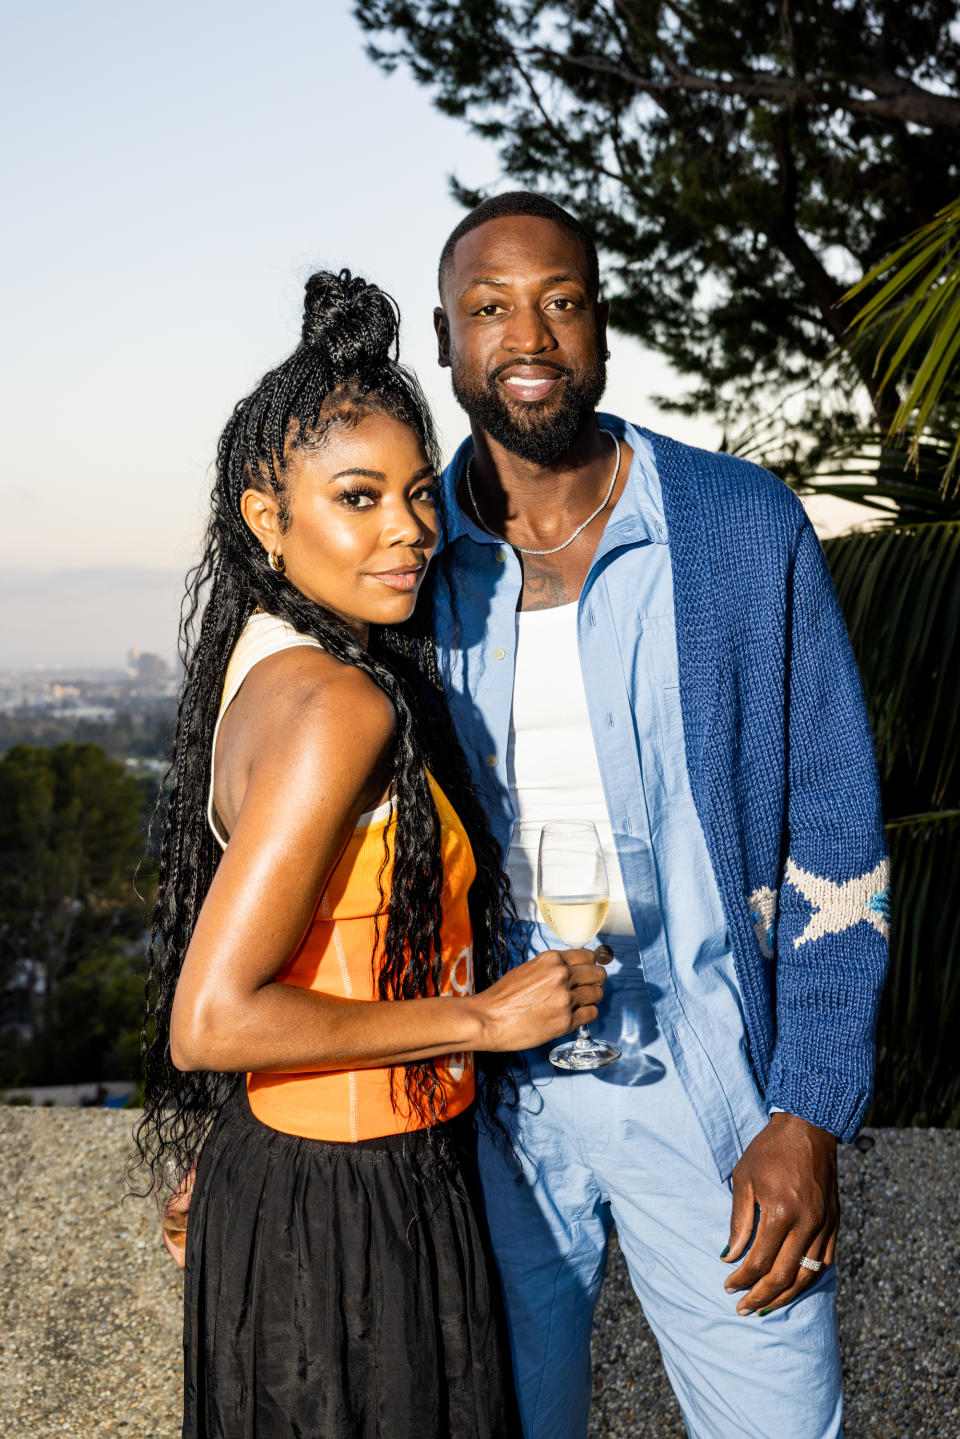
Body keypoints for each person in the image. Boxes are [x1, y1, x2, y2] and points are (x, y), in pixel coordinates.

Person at [427, 191, 889, 1439]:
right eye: (490, 307)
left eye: (561, 301)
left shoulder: (738, 528)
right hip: (495, 1101)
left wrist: (808, 1109)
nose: (529, 334)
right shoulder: (408, 568)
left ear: (602, 329)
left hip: (712, 1081)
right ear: (446, 340)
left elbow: (838, 830)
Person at [134, 268, 609, 1439]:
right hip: (351, 1204)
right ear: (264, 515)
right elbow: (215, 1015)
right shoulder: (335, 705)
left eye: (413, 492)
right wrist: (483, 1020)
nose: (408, 528)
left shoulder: (271, 660)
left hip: (301, 1177)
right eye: (358, 497)